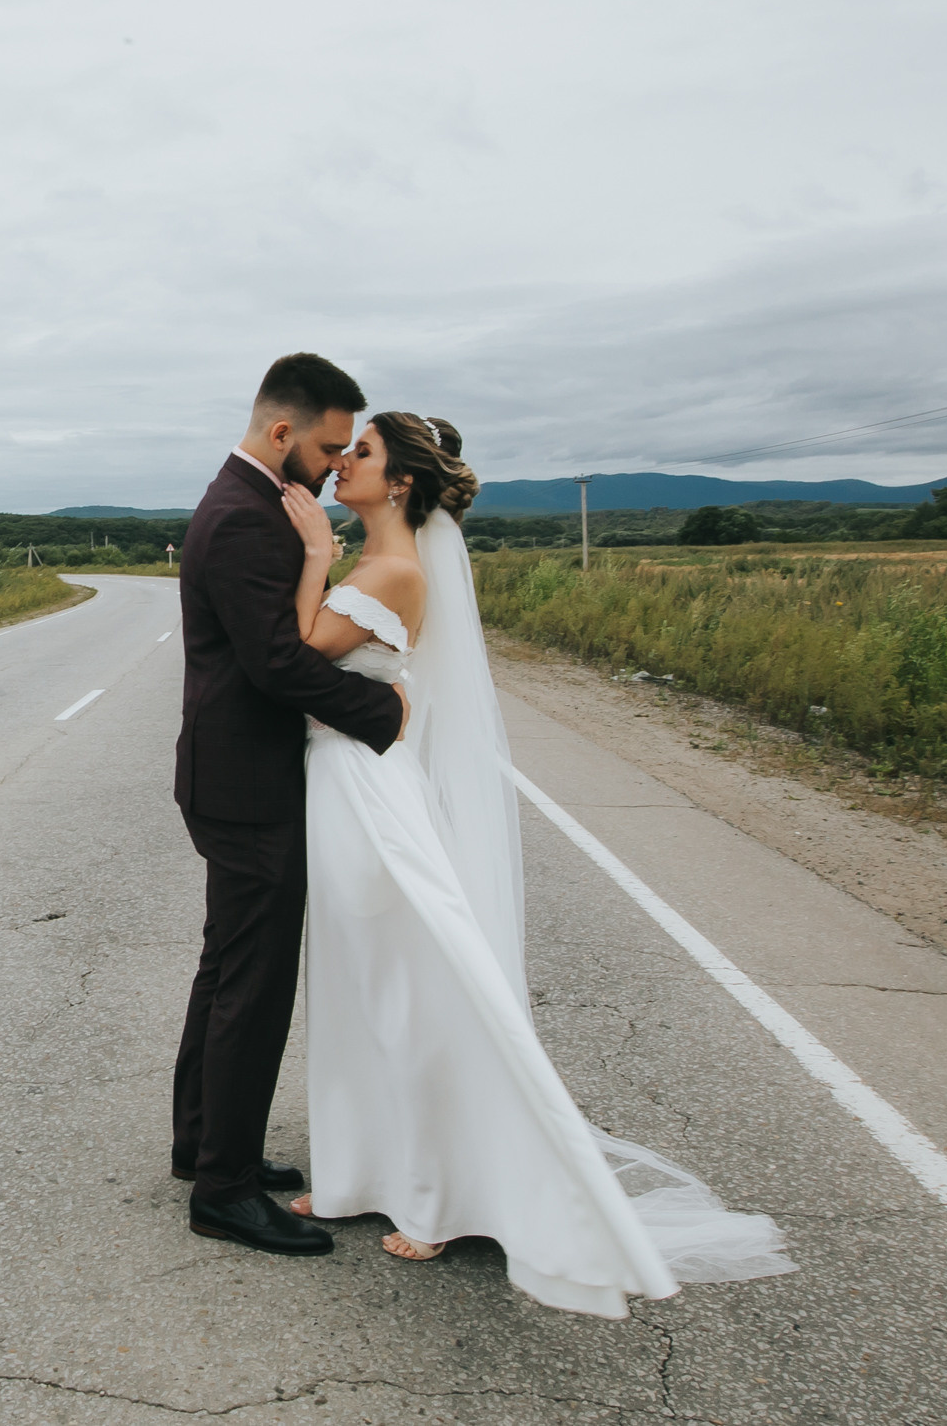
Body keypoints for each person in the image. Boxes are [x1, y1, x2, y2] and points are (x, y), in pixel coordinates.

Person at [282, 410, 793, 1316]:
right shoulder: (384, 560)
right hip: (338, 781)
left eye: (361, 454)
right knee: (357, 984)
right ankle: (359, 1172)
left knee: (412, 986)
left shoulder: (391, 568)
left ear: (400, 482)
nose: (342, 464)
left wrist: (314, 552)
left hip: (366, 791)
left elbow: (294, 657)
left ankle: (439, 1195)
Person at [171, 354, 407, 1257]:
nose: (334, 463)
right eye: (327, 446)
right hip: (247, 787)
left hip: (233, 779)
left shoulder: (252, 503)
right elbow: (275, 664)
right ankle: (224, 1189)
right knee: (253, 989)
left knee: (226, 970)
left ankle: (205, 1146)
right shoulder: (242, 517)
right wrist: (382, 711)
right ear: (282, 432)